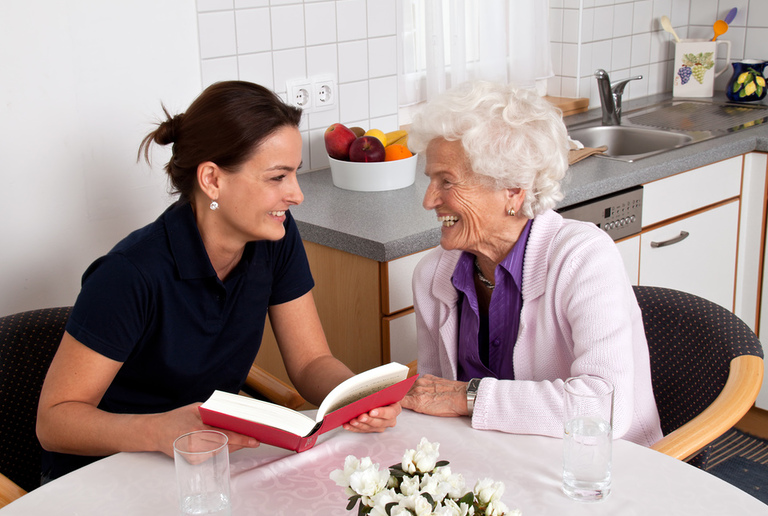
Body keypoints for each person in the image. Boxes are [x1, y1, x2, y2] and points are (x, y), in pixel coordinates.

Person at [36, 81, 401, 480]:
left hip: (205, 462)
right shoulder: (129, 274)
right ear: (211, 179)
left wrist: (356, 397)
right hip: (106, 474)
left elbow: (311, 361)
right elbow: (54, 423)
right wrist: (160, 431)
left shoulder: (274, 238)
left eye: (294, 174)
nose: (296, 195)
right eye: (277, 177)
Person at [400, 81, 662, 446]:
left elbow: (603, 408)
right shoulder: (432, 275)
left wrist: (467, 396)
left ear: (513, 190)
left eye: (447, 182)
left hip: (598, 466)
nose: (429, 201)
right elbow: (435, 397)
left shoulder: (584, 258)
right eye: (431, 180)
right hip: (493, 461)